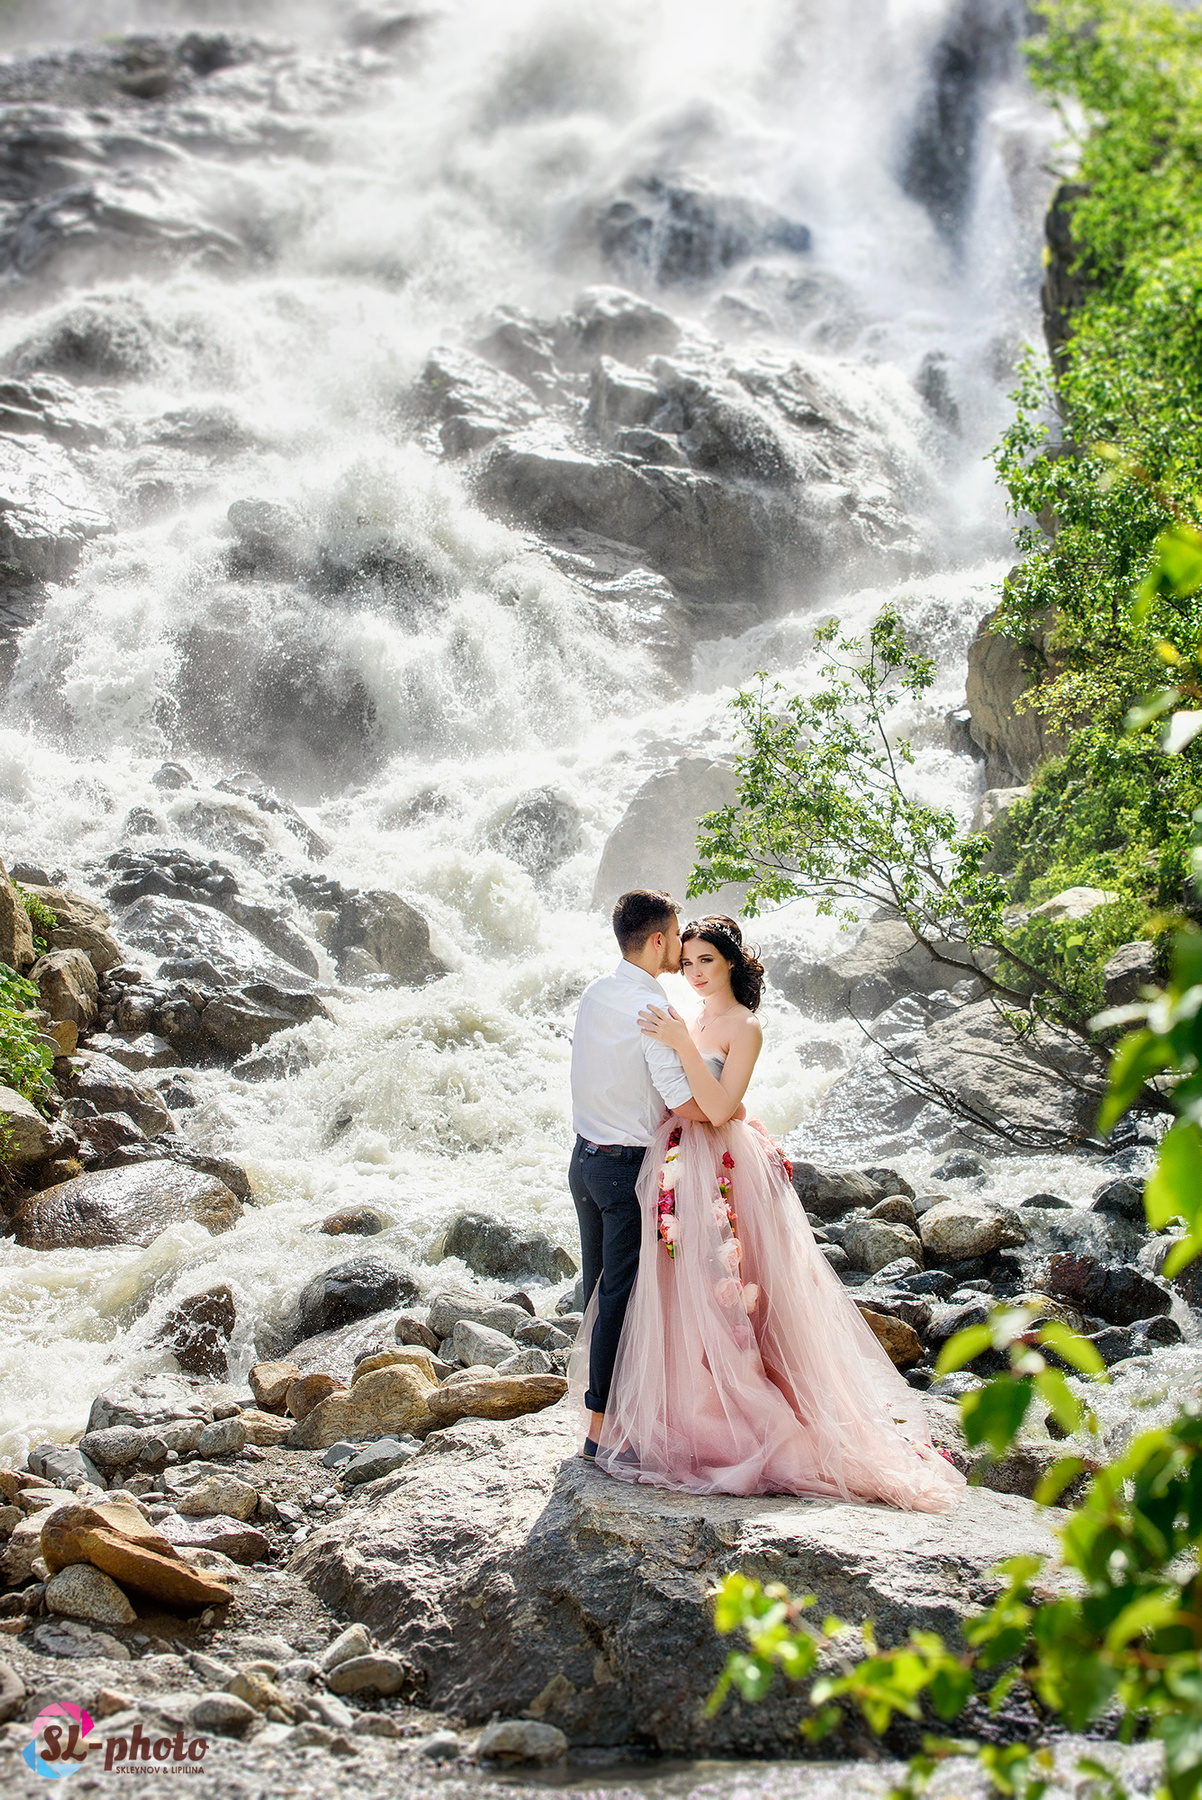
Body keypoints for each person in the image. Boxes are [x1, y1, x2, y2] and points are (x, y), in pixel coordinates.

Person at [570, 913, 966, 1512]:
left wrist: (683, 1050)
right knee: (673, 1291)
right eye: (688, 961)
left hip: (717, 1162)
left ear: (731, 962)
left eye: (707, 961)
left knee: (724, 1285)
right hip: (676, 1160)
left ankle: (735, 1407)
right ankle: (659, 1406)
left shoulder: (743, 1026)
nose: (695, 972)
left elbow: (720, 1105)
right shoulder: (687, 1015)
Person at [568, 888, 704, 1459]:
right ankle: (600, 1432)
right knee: (619, 1299)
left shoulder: (597, 992)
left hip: (584, 1161)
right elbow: (679, 1098)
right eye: (675, 936)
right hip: (623, 1169)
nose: (681, 946)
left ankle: (604, 1412)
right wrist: (728, 1110)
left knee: (598, 1294)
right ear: (656, 940)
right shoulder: (653, 1008)